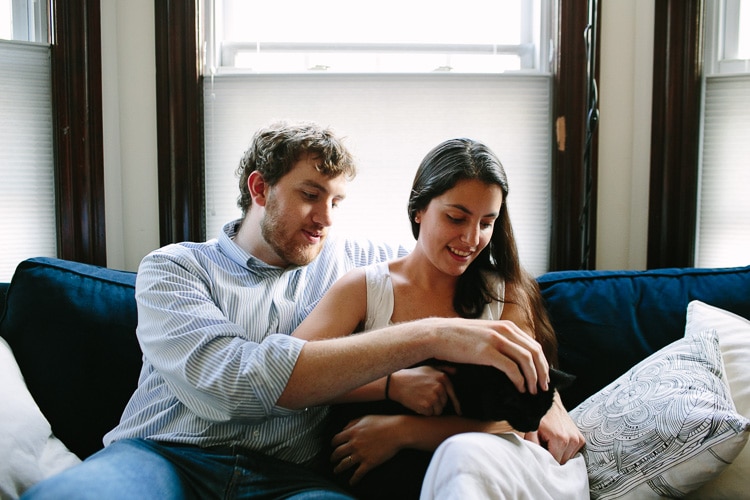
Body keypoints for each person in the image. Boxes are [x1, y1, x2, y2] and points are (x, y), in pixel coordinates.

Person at [22, 122, 550, 500]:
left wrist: (549, 401)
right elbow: (231, 384)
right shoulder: (176, 269)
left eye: (336, 202)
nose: (324, 218)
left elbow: (453, 261)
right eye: (310, 194)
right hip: (166, 455)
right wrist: (417, 353)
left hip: (291, 477)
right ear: (259, 188)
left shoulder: (354, 264)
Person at [292, 138, 588, 499]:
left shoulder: (504, 294)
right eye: (456, 217)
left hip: (478, 474)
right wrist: (393, 383)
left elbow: (519, 424)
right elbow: (293, 374)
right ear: (418, 209)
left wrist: (402, 431)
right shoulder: (367, 289)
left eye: (486, 222)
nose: (471, 238)